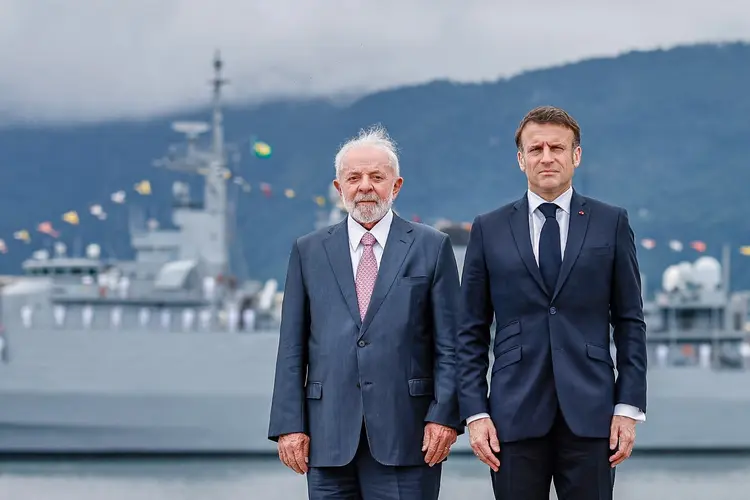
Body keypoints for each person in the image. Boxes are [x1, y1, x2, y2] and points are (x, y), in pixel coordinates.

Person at [455, 106, 647, 500]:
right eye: (536, 148)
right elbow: (470, 331)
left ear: (576, 155)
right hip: (511, 415)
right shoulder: (488, 229)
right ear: (520, 159)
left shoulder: (611, 222)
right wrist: (475, 414)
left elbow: (630, 322)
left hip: (593, 415)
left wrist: (628, 408)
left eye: (557, 148)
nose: (547, 157)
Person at [267, 125, 463, 499]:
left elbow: (450, 345)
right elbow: (292, 346)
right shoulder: (308, 251)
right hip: (327, 440)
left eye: (377, 176)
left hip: (409, 436)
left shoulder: (432, 247)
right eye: (353, 178)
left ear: (397, 185)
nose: (365, 186)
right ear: (339, 189)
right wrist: (289, 425)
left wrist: (444, 417)